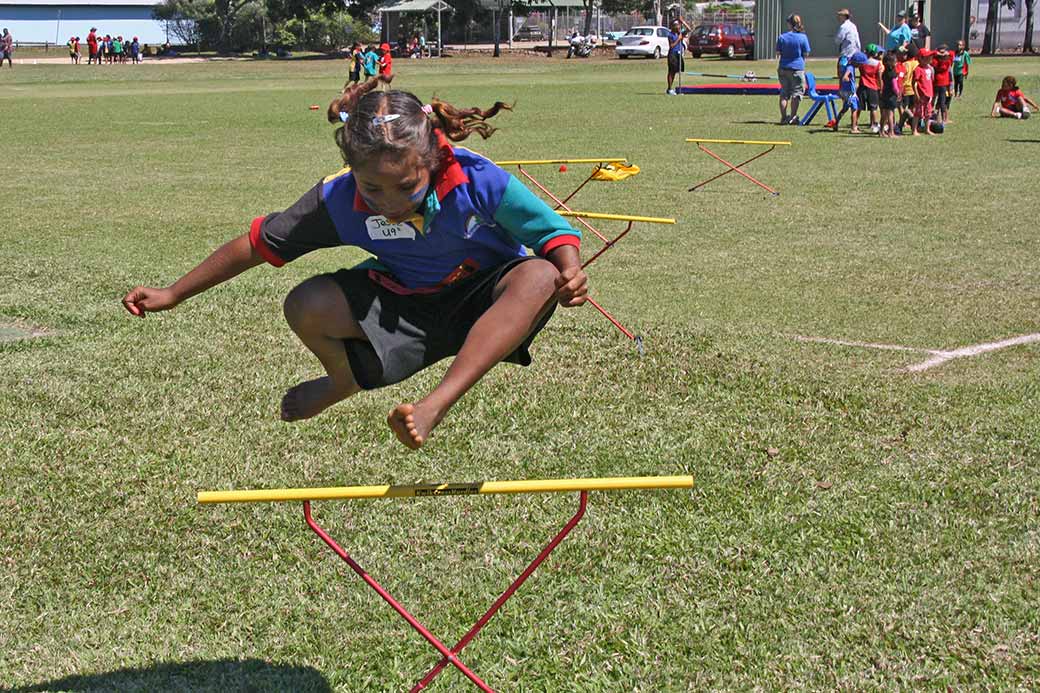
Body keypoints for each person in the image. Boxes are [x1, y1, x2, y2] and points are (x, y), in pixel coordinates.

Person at [122, 77, 589, 451]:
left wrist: (568, 270)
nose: (389, 203)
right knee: (307, 303)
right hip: (407, 304)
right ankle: (342, 379)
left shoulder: (475, 177)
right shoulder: (337, 199)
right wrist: (174, 292)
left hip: (486, 302)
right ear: (351, 169)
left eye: (407, 187)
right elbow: (257, 245)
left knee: (540, 273)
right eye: (373, 190)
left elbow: (552, 233)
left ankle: (433, 405)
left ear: (432, 159)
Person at [775, 14, 811, 125]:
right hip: (797, 68)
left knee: (784, 93)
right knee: (797, 93)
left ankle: (783, 117)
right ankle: (793, 116)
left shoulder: (782, 37)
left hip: (783, 67)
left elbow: (777, 53)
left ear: (790, 24)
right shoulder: (803, 37)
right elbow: (806, 53)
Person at [911, 49, 935, 135]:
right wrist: (916, 95)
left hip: (929, 94)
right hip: (921, 95)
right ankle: (914, 130)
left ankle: (927, 129)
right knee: (917, 113)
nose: (930, 58)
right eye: (928, 57)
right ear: (921, 58)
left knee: (928, 113)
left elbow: (930, 81)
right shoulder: (918, 69)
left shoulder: (929, 68)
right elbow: (914, 83)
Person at [665, 17, 691, 95]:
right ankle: (669, 89)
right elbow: (671, 46)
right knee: (671, 71)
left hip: (679, 54)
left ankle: (675, 90)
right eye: (676, 25)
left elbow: (689, 29)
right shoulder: (670, 35)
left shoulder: (680, 33)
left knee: (677, 71)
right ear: (673, 27)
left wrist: (683, 21)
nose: (678, 27)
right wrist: (678, 39)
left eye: (679, 25)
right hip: (672, 54)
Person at [879, 50, 901, 137]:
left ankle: (881, 131)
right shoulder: (893, 74)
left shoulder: (884, 73)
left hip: (885, 94)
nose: (896, 63)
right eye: (895, 61)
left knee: (884, 114)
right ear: (891, 63)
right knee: (891, 114)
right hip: (891, 96)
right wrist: (898, 93)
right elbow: (895, 86)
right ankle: (891, 132)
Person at [834, 8, 860, 79]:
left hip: (845, 55)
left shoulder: (843, 27)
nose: (838, 17)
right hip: (853, 55)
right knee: (851, 75)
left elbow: (838, 40)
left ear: (844, 16)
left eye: (840, 15)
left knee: (842, 75)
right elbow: (857, 42)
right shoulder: (853, 26)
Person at [931, 44, 953, 124]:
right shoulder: (939, 61)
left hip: (942, 83)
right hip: (939, 83)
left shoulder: (945, 61)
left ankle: (941, 117)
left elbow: (951, 53)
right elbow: (951, 53)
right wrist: (941, 54)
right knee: (940, 101)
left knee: (941, 101)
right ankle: (943, 118)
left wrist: (940, 53)